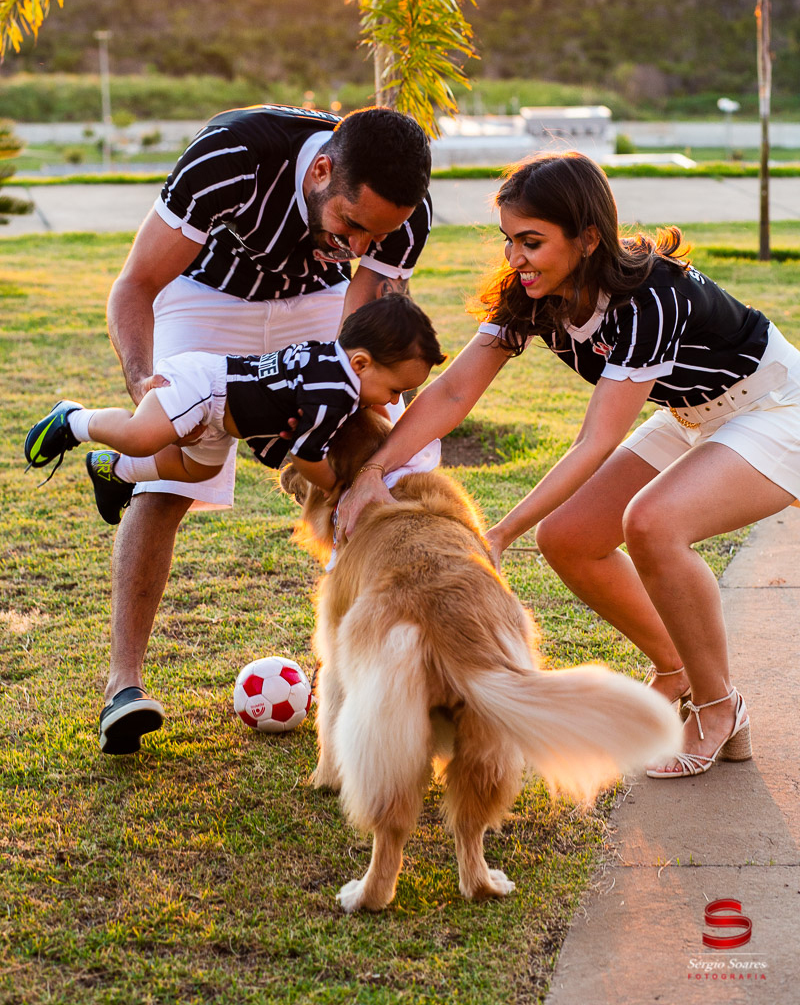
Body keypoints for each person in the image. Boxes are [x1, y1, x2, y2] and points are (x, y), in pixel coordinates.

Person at [338, 151, 800, 780]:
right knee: (569, 538)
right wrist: (372, 472)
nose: (515, 258)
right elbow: (453, 392)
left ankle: (720, 707)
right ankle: (676, 669)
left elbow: (595, 440)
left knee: (654, 524)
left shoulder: (650, 296)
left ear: (587, 238)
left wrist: (500, 533)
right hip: (692, 412)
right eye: (509, 240)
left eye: (531, 242)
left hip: (774, 406)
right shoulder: (532, 295)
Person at [68, 103, 433, 754]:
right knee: (176, 478)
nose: (359, 247)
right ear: (321, 171)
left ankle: (357, 681)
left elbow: (360, 335)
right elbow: (136, 284)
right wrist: (145, 385)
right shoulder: (232, 158)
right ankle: (124, 686)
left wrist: (348, 423)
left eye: (374, 238)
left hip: (319, 302)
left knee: (380, 470)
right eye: (351, 225)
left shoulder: (404, 214)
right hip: (206, 295)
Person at [25, 294, 444, 513]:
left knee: (200, 470)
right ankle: (73, 419)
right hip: (206, 386)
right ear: (361, 364)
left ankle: (113, 470)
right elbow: (305, 455)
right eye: (395, 390)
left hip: (224, 420)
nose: (394, 401)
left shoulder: (332, 362)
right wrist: (338, 486)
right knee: (140, 436)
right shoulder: (335, 390)